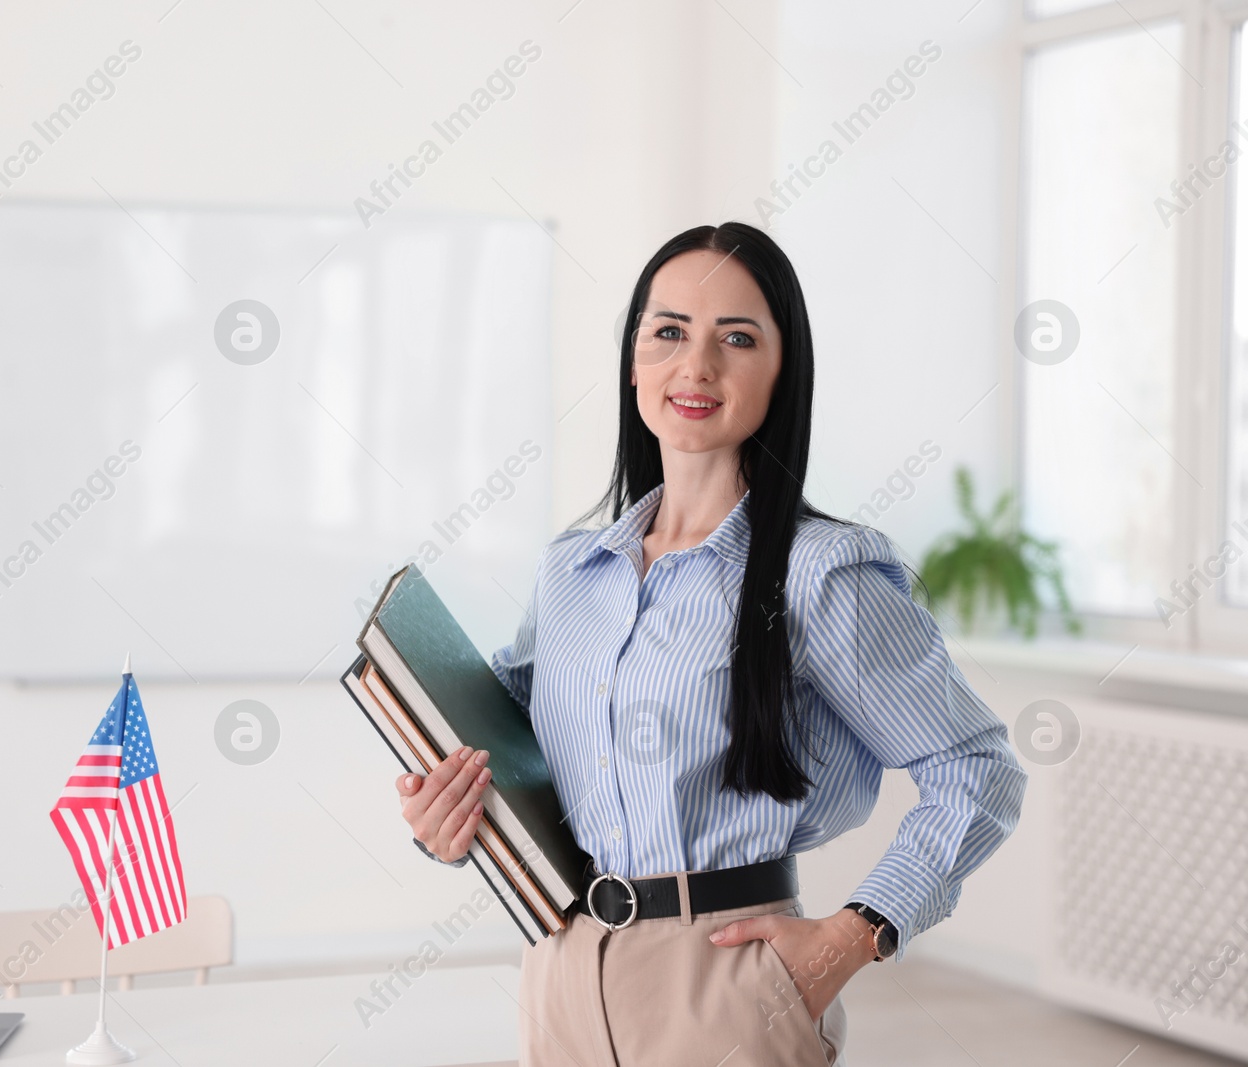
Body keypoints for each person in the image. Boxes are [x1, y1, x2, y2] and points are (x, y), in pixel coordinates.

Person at [395, 222, 1028, 1066]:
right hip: (559, 966)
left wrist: (854, 933)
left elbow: (979, 768)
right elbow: (506, 750)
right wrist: (445, 816)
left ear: (781, 371)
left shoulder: (823, 574)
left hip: (730, 982)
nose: (696, 368)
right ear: (632, 362)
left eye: (737, 338)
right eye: (669, 334)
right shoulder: (571, 572)